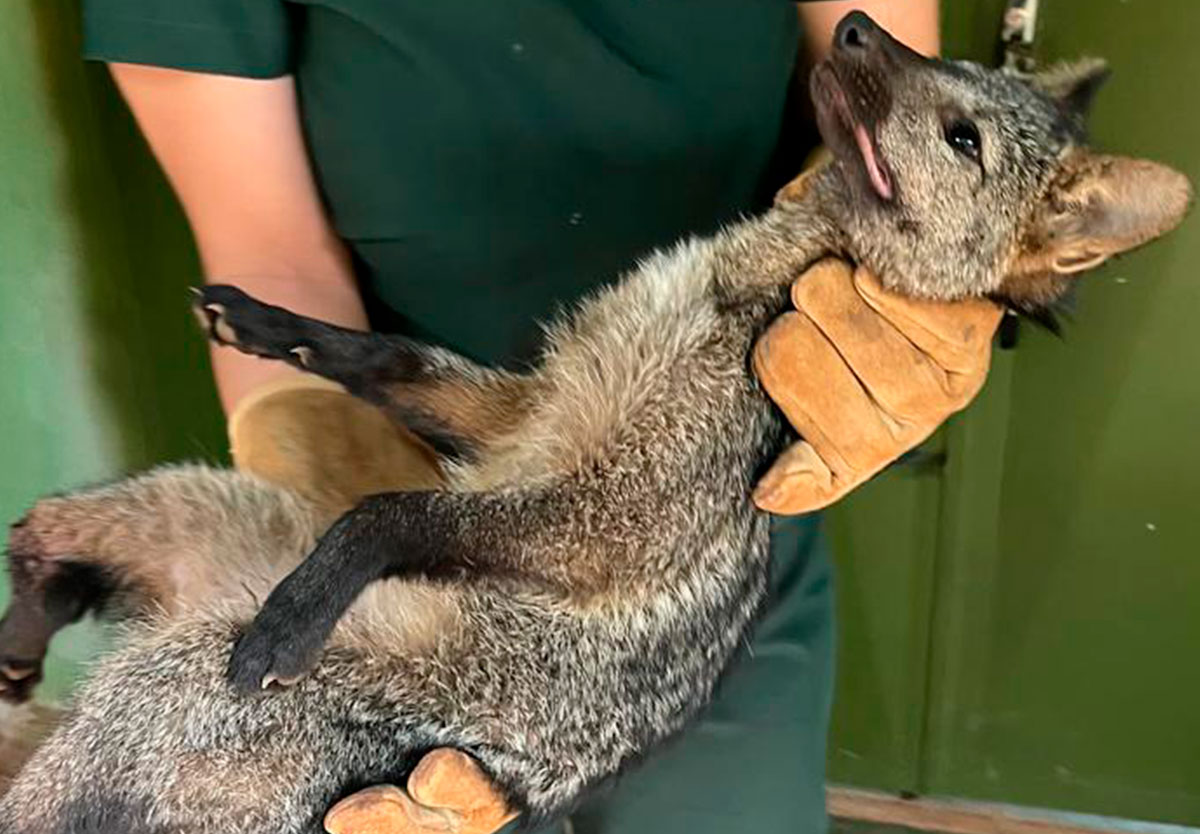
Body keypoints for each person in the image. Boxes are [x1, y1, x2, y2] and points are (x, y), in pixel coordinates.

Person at [80, 1, 999, 832]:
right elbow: (266, 249)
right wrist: (345, 551)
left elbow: (899, 123)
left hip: (726, 538)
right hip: (413, 512)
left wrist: (892, 306)